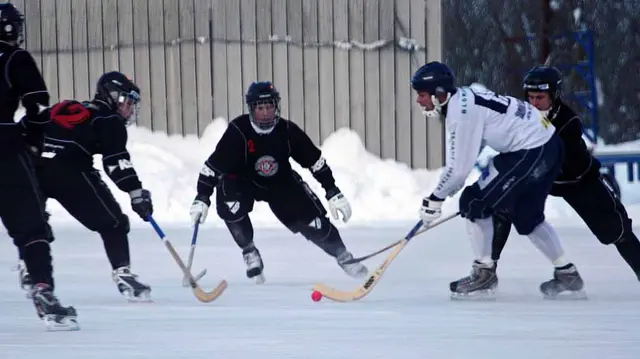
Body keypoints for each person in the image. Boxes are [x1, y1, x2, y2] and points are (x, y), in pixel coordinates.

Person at [412, 61, 585, 299]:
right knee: (527, 216)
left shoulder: (459, 112)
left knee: (474, 201)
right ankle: (567, 273)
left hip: (531, 150)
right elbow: (471, 152)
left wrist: (435, 199)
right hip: (548, 145)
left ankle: (484, 273)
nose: (419, 101)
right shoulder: (466, 99)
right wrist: (446, 190)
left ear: (439, 94)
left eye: (422, 95)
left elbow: (459, 169)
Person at [189, 81, 367, 284]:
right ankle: (249, 252)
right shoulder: (238, 131)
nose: (265, 113)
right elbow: (213, 167)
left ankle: (344, 257)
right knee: (230, 204)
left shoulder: (288, 131)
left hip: (280, 183)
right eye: (260, 108)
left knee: (312, 221)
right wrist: (202, 197)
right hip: (242, 181)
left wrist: (332, 191)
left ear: (276, 106)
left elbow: (315, 162)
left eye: (269, 107)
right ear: (251, 109)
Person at [491, 65, 640, 281]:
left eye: (540, 97)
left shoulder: (568, 121)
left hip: (578, 180)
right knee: (503, 204)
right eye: (530, 97)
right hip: (544, 180)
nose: (534, 103)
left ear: (554, 96)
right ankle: (487, 268)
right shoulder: (522, 117)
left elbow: (563, 161)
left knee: (614, 231)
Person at [17, 71, 154, 302]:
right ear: (112, 96)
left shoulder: (73, 108)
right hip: (69, 172)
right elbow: (116, 161)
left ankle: (29, 269)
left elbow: (26, 128)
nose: (130, 109)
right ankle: (123, 274)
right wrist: (136, 193)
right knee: (114, 222)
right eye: (128, 102)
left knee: (34, 226)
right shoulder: (109, 119)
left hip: (31, 167)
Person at [0, 3, 78, 330]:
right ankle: (43, 290)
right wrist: (33, 140)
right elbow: (39, 105)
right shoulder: (16, 58)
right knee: (32, 228)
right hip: (5, 148)